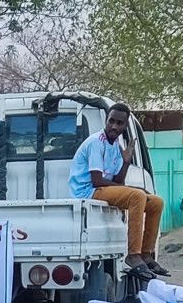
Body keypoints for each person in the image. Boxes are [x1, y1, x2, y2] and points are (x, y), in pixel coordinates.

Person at [70, 103, 166, 278]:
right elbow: (97, 180)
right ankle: (133, 255)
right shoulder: (96, 142)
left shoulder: (115, 146)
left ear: (125, 125)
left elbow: (117, 181)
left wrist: (126, 163)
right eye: (111, 121)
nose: (114, 126)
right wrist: (131, 189)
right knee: (137, 195)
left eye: (119, 123)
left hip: (101, 189)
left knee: (157, 202)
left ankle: (146, 253)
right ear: (106, 120)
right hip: (88, 191)